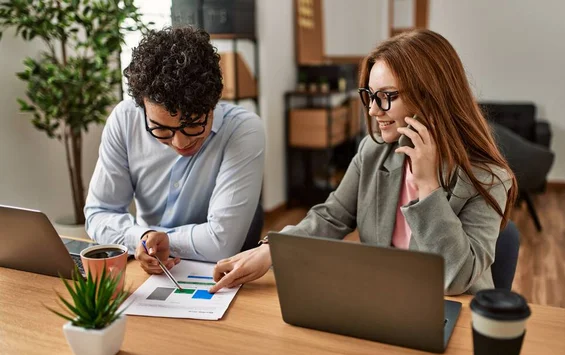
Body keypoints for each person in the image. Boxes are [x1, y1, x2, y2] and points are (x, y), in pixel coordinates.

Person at [209, 29, 517, 295]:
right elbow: (331, 217)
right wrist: (271, 249)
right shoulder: (374, 151)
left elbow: (456, 278)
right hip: (383, 300)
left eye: (386, 96)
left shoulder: (488, 177)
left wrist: (427, 186)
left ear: (431, 96)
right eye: (369, 95)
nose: (372, 111)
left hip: (453, 312)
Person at [84, 27, 265, 274]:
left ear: (213, 102)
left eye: (192, 125)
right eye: (160, 130)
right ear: (142, 107)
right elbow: (99, 212)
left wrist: (157, 240)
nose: (180, 143)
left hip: (216, 274)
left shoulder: (243, 130)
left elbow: (222, 243)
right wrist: (144, 236)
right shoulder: (125, 120)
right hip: (146, 267)